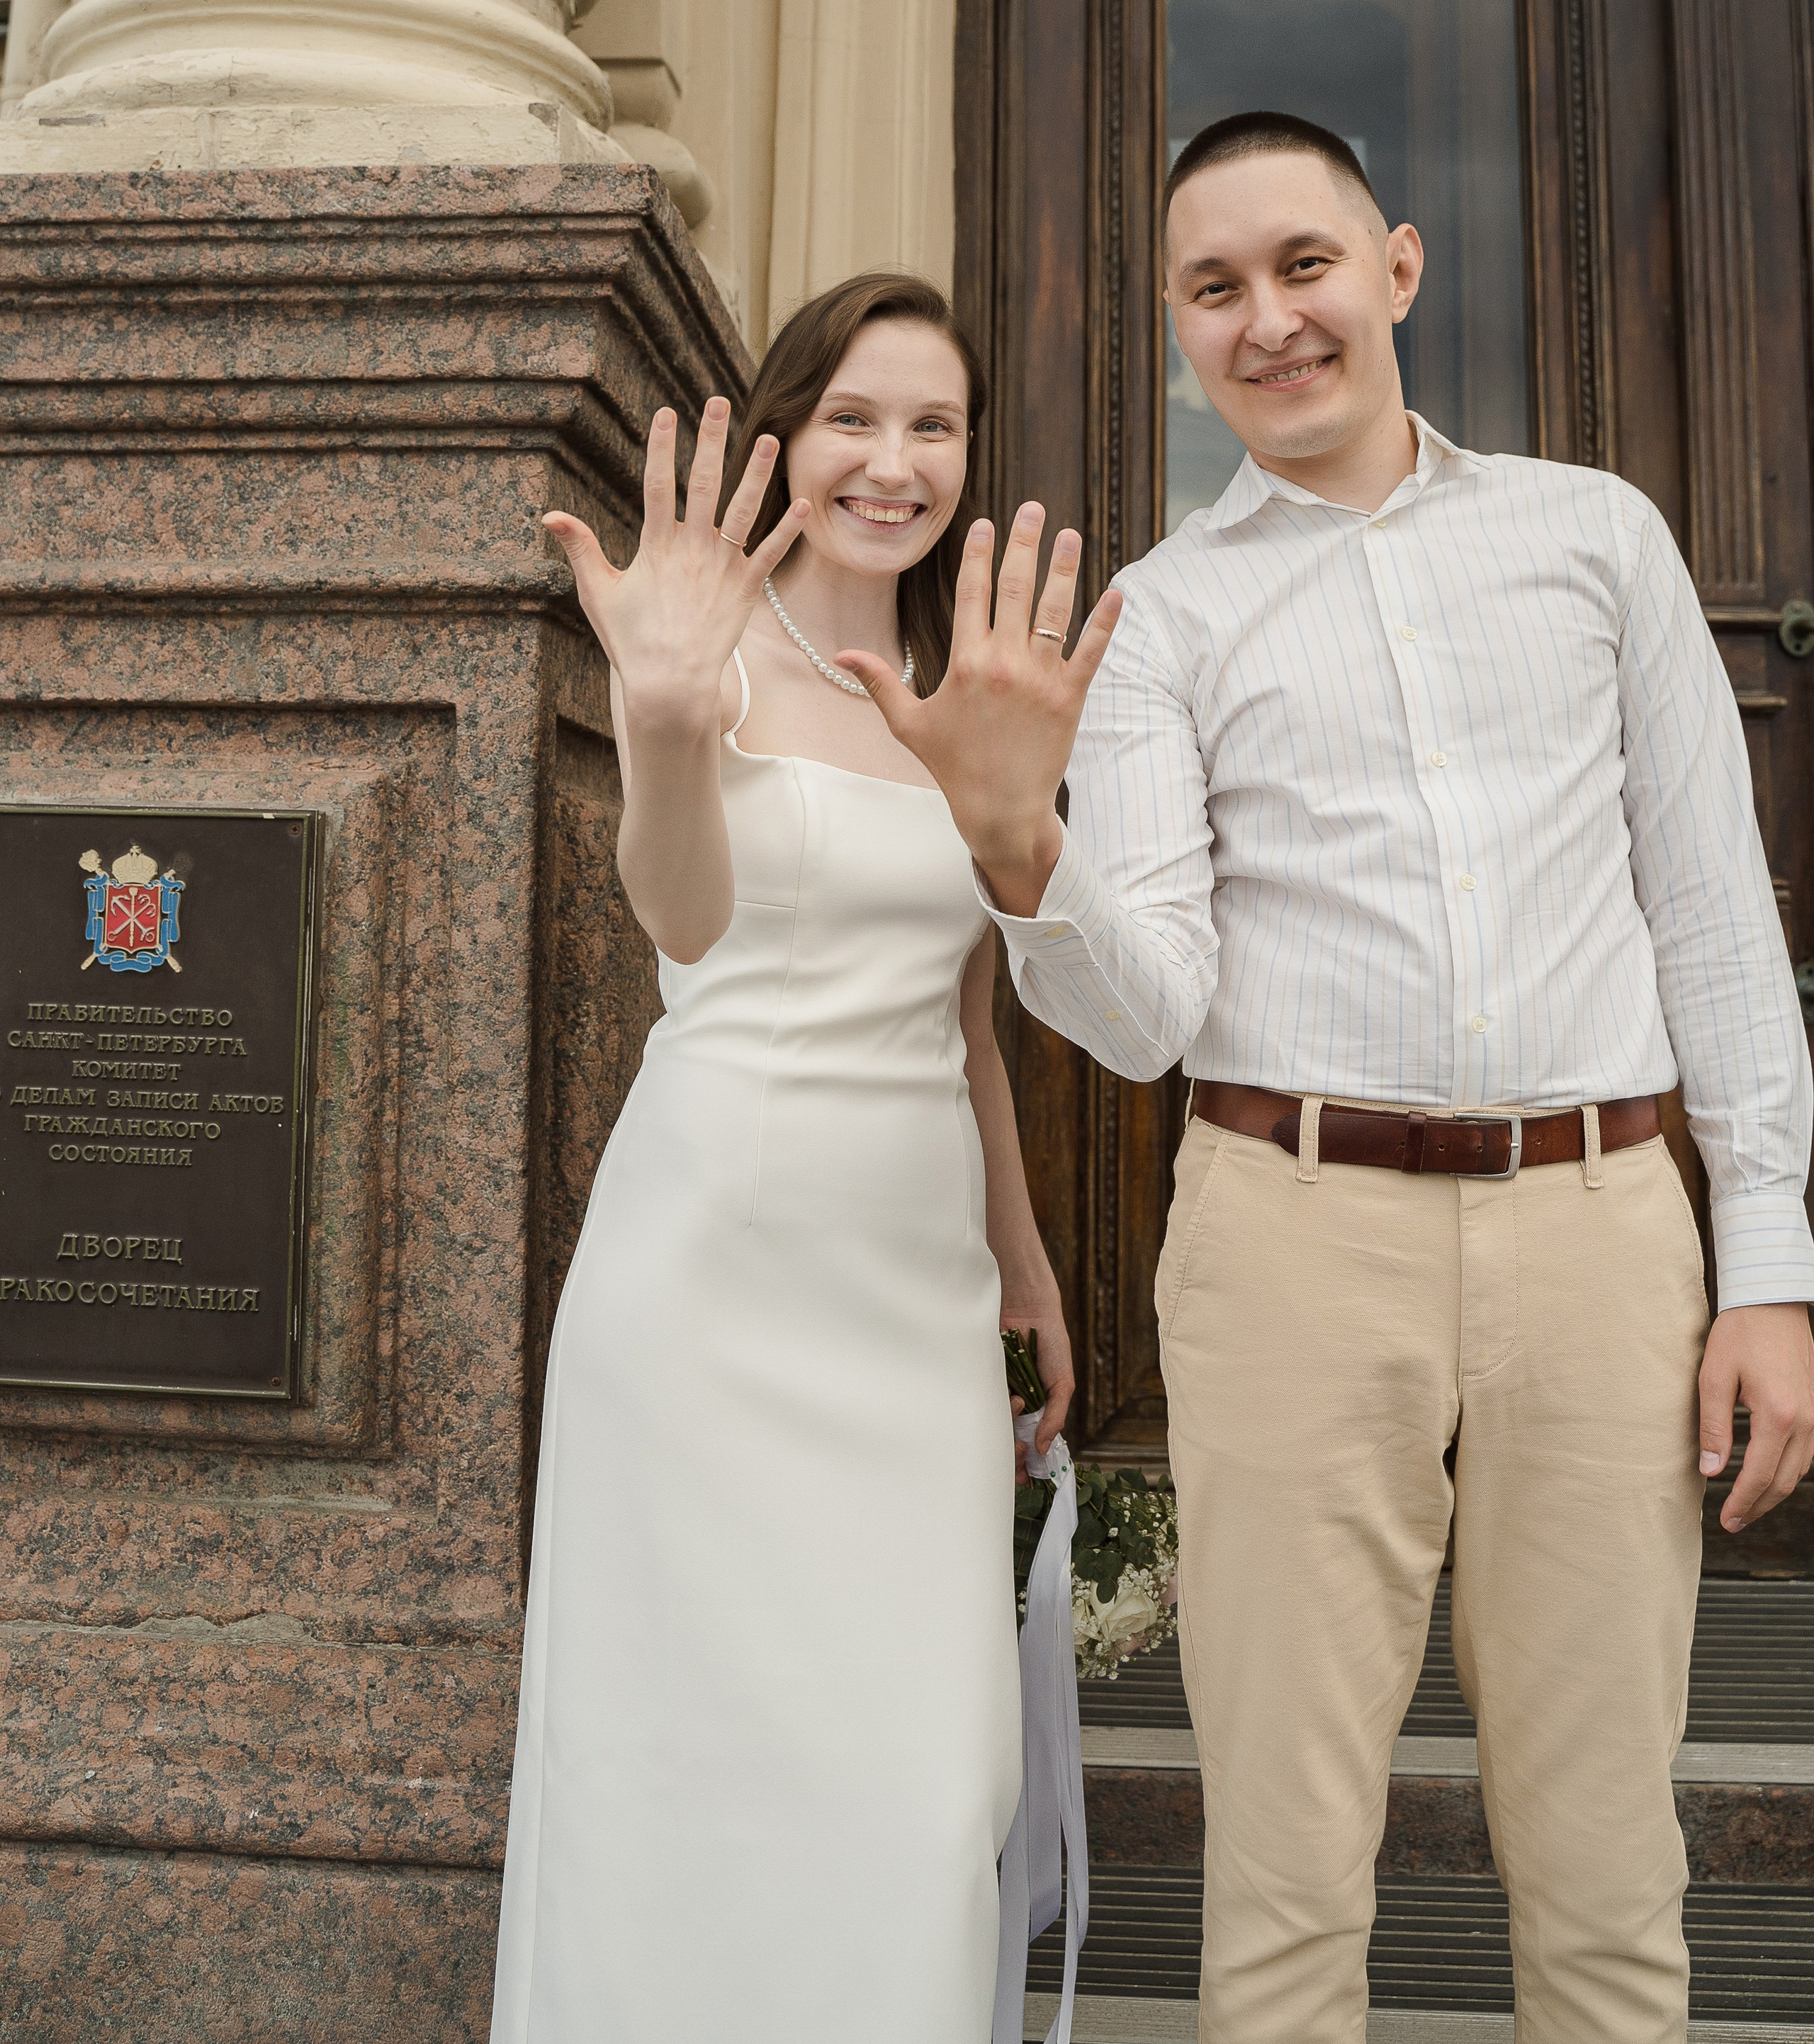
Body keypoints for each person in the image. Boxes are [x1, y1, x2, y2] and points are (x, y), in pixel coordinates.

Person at [843, 111, 1814, 2044]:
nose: (1267, 320)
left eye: (1302, 266)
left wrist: (1770, 1261)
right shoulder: (1162, 618)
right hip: (1289, 1237)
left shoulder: (1593, 534)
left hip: (1605, 1230)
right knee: (1287, 1878)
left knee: (1614, 1868)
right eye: (1216, 289)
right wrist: (1017, 842)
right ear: (1179, 333)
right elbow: (1147, 1009)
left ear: (1397, 266)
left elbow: (1713, 915)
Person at [489, 271, 1075, 2044]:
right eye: (852, 419)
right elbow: (678, 920)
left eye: (932, 426)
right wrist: (662, 726)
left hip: (912, 1295)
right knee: (678, 1764)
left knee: (920, 1782)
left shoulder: (962, 691)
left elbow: (969, 1024)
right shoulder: (699, 644)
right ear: (783, 432)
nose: (889, 463)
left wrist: (1029, 1267)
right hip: (711, 1270)